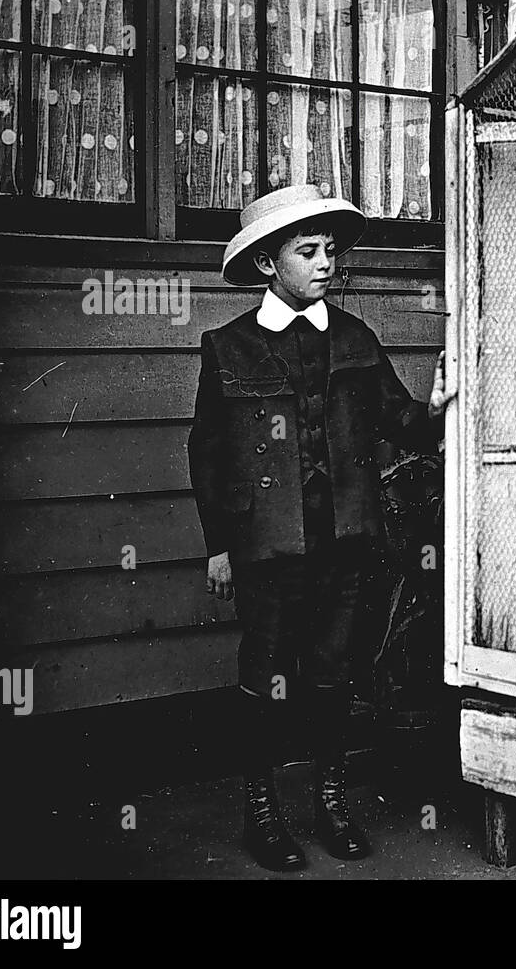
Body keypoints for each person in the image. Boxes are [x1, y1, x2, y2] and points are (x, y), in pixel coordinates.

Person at [187, 185, 456, 871]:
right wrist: (218, 546)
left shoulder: (355, 338)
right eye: (307, 251)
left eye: (330, 249)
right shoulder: (227, 349)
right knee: (268, 682)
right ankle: (263, 814)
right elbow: (207, 455)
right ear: (267, 265)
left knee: (333, 678)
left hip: (345, 545)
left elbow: (401, 421)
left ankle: (332, 804)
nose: (325, 262)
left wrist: (439, 406)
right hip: (266, 551)